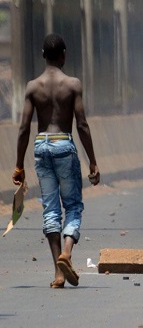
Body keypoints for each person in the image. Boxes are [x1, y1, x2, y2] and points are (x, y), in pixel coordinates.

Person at [12, 33, 100, 288]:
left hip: (41, 145)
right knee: (72, 205)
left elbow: (23, 128)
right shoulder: (72, 85)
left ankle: (58, 274)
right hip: (63, 143)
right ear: (63, 55)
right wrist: (92, 161)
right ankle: (67, 253)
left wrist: (19, 165)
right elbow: (81, 124)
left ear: (43, 56)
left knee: (50, 209)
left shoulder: (32, 86)